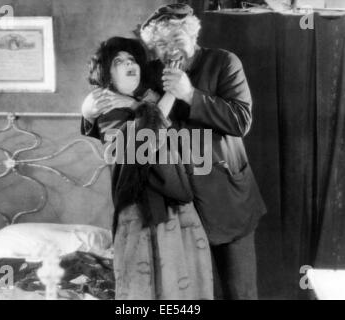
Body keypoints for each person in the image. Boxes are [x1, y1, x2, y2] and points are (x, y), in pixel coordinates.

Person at [90, 4, 267, 300]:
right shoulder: (150, 73)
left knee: (241, 293)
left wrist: (189, 94)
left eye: (176, 40)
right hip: (177, 205)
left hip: (227, 200)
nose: (169, 50)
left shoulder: (223, 62)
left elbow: (240, 121)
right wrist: (88, 110)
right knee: (192, 295)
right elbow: (115, 116)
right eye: (159, 44)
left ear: (192, 34)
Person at [80, 37, 213, 300]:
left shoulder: (143, 100)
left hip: (175, 202)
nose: (129, 64)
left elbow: (156, 120)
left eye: (131, 60)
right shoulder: (104, 106)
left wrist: (135, 103)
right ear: (106, 73)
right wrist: (166, 96)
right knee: (145, 290)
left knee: (185, 285)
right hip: (140, 208)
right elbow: (147, 137)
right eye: (118, 62)